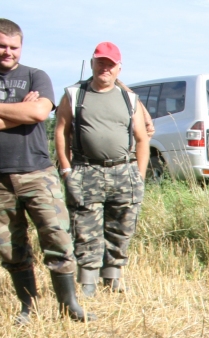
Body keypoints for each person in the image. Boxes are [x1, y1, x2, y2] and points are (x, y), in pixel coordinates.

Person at [0, 18, 89, 323]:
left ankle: (69, 305)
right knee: (11, 248)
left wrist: (29, 113)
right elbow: (29, 114)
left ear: (21, 47)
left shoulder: (36, 76)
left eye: (13, 47)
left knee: (57, 238)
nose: (7, 52)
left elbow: (38, 111)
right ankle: (28, 306)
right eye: (1, 46)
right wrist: (20, 113)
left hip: (37, 172)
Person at [54, 41, 152, 295]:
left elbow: (142, 139)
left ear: (119, 68)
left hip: (124, 172)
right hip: (86, 171)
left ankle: (113, 278)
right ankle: (88, 282)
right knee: (85, 228)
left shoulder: (129, 98)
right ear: (92, 64)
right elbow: (61, 132)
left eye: (110, 64)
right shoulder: (75, 94)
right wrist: (66, 170)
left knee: (122, 228)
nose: (104, 68)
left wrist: (138, 176)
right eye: (100, 63)